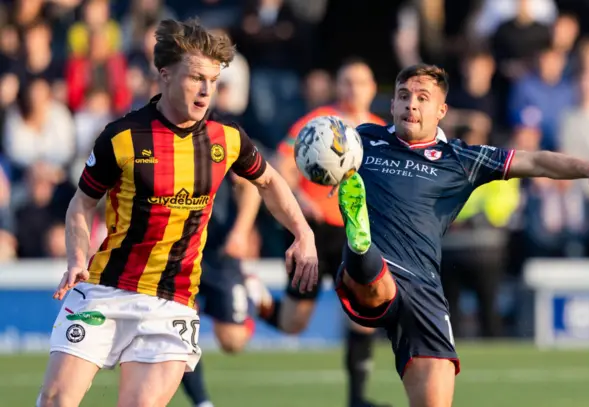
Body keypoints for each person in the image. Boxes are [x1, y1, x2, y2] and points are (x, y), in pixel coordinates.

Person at [37, 18, 318, 407]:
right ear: (165, 75)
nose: (206, 91)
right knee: (55, 401)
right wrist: (75, 258)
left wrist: (303, 233)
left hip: (172, 302)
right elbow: (81, 204)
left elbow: (269, 181)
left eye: (214, 81)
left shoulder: (228, 139)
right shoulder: (122, 137)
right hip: (104, 290)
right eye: (196, 78)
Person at [333, 63, 589, 407]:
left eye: (423, 98)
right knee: (374, 276)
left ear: (441, 111)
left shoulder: (461, 159)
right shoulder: (363, 140)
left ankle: (362, 249)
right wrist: (304, 235)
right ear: (392, 105)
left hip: (424, 291)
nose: (411, 104)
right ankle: (361, 245)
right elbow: (299, 168)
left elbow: (537, 162)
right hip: (377, 274)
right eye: (404, 96)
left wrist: (586, 167)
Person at [262, 58, 389, 407]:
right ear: (338, 86)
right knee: (294, 323)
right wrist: (300, 197)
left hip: (356, 233)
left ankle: (358, 399)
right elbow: (282, 163)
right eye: (347, 82)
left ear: (372, 88)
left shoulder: (379, 130)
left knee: (364, 314)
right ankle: (252, 298)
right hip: (315, 233)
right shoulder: (318, 122)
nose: (354, 89)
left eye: (361, 82)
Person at [180, 173, 271, 407]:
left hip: (219, 251)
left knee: (233, 340)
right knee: (177, 331)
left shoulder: (223, 139)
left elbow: (253, 183)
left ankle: (246, 284)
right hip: (178, 250)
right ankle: (202, 402)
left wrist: (241, 231)